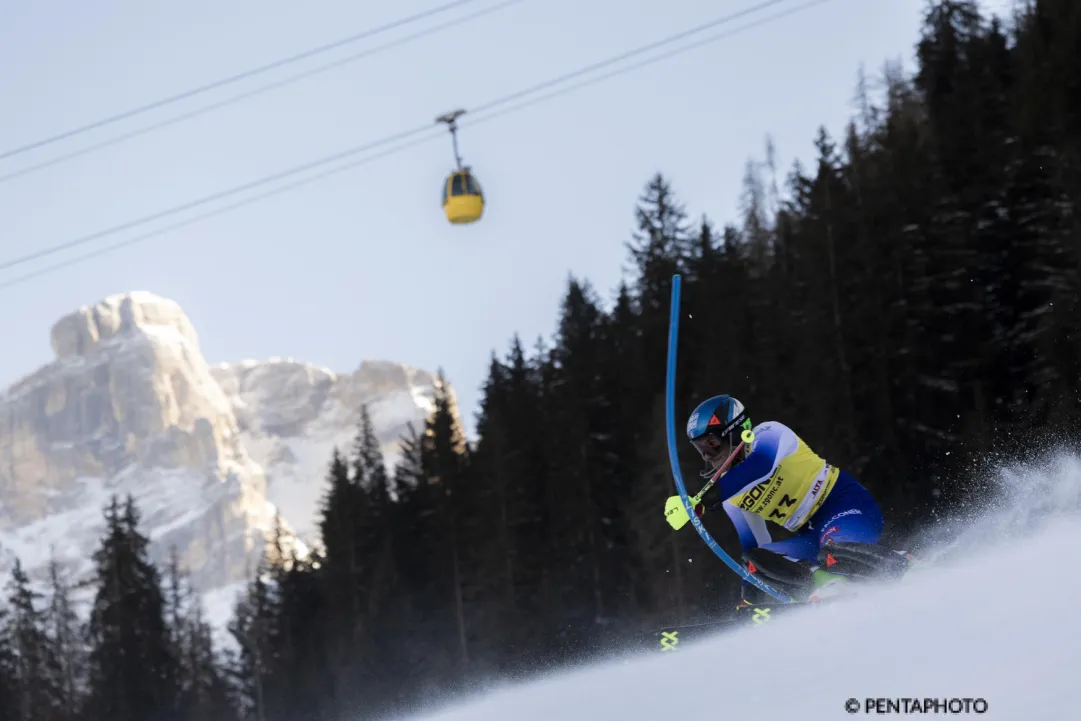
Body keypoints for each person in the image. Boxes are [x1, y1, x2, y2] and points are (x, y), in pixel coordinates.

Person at [683, 394, 889, 604]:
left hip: (847, 507)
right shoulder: (731, 497)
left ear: (734, 432)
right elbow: (754, 545)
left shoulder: (769, 433)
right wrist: (749, 601)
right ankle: (820, 587)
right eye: (701, 448)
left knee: (835, 553)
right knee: (755, 560)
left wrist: (704, 499)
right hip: (812, 539)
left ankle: (903, 565)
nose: (707, 456)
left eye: (712, 444)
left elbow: (762, 465)